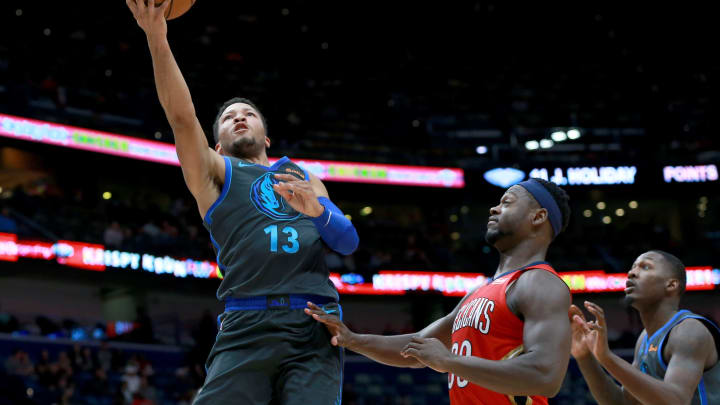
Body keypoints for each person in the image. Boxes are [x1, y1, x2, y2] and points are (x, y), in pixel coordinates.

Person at [125, 1, 359, 404]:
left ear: (266, 136)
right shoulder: (214, 173)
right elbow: (182, 118)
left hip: (313, 322)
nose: (239, 117)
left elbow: (348, 242)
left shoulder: (305, 178)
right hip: (246, 322)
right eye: (229, 116)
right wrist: (157, 37)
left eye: (248, 113)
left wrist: (317, 212)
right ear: (216, 143)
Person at [307, 178, 572, 404]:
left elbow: (545, 376)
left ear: (538, 217)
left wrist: (450, 363)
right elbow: (416, 348)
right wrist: (352, 339)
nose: (493, 208)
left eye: (507, 202)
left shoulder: (540, 283)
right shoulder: (480, 292)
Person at [570, 250, 720, 404]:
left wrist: (606, 358)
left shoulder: (689, 331)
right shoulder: (644, 339)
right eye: (633, 267)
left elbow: (676, 401)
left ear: (671, 285)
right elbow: (621, 402)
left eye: (646, 267)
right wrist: (584, 355)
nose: (631, 273)